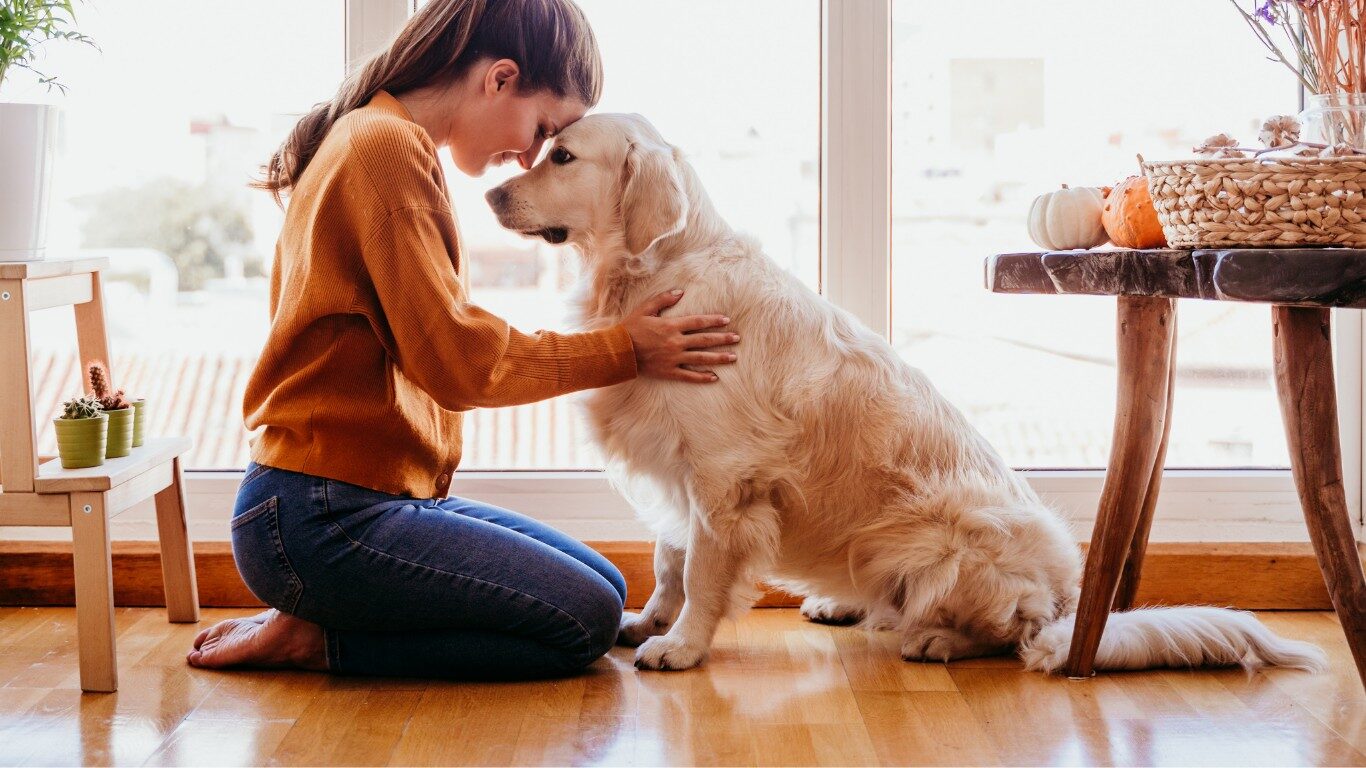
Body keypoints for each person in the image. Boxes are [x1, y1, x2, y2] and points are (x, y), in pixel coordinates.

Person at [186, 0, 738, 679]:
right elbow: (458, 362)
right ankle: (318, 639)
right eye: (542, 128)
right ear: (499, 78)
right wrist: (624, 347)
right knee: (585, 618)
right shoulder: (382, 148)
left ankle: (322, 610)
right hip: (318, 517)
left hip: (361, 501)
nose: (530, 155)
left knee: (605, 585)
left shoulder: (383, 137)